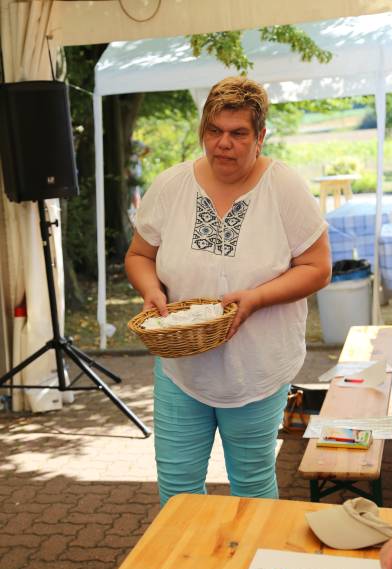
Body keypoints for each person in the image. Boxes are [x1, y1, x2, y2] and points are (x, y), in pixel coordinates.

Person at [125, 76, 331, 506]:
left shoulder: (284, 187)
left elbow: (317, 268)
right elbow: (139, 256)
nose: (224, 143)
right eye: (214, 131)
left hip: (255, 369)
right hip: (182, 368)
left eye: (238, 133)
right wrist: (150, 290)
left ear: (260, 137)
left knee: (252, 487)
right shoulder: (172, 185)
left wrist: (256, 297)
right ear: (203, 132)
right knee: (178, 491)